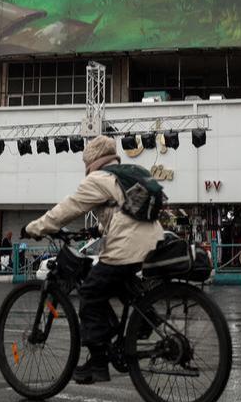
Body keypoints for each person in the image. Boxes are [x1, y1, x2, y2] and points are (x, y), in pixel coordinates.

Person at [22, 136, 162, 385]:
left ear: (91, 160)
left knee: (89, 293)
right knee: (118, 283)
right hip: (152, 240)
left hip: (127, 245)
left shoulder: (98, 178)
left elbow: (69, 208)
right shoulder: (126, 172)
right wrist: (96, 230)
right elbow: (122, 210)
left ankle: (98, 362)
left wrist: (35, 227)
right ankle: (144, 319)